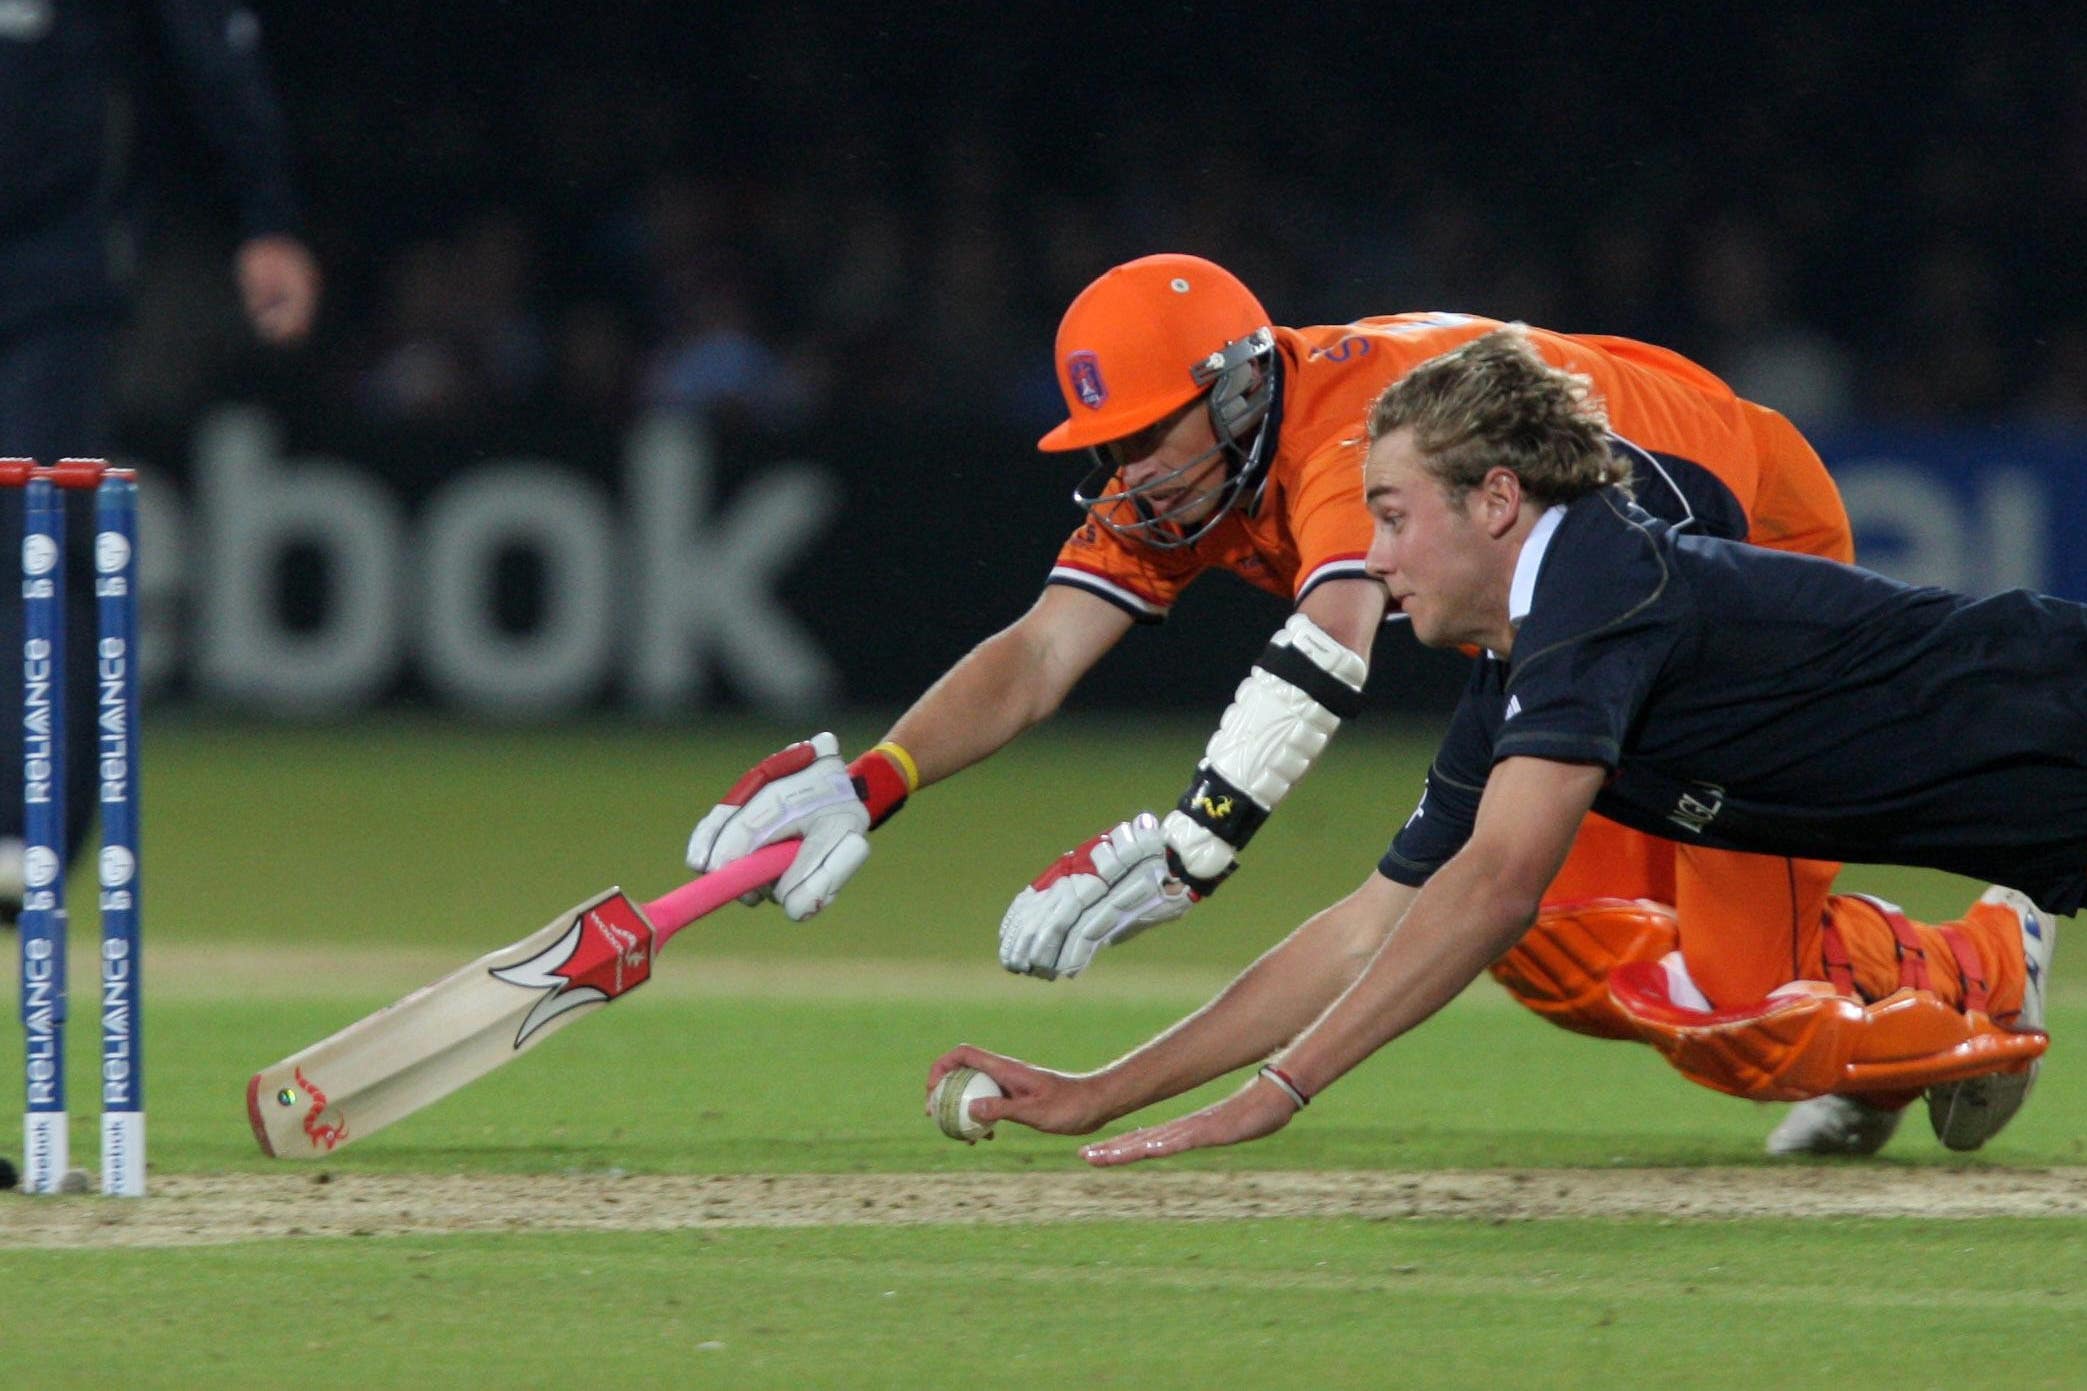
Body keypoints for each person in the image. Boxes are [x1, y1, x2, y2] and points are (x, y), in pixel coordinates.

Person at [688, 253, 1969, 1156]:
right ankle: (1881, 1004)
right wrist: (876, 779)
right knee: (1545, 945)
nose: (1123, 475)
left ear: (1239, 387)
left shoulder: (1357, 430)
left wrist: (1195, 842)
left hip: (1743, 554)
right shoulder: (1204, 468)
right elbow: (1035, 655)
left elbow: (1333, 634)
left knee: (1736, 1015)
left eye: (1142, 438)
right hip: (1584, 629)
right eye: (1105, 449)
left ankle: (1978, 974)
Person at [928, 327, 2062, 1167]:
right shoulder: (1520, 658)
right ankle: (1958, 989)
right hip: (2040, 802)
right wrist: (1098, 1090)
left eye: (1390, 514)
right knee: (1615, 966)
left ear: (1498, 501)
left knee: (1692, 992)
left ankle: (1972, 994)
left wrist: (1281, 1089)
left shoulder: (1596, 590)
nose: (1371, 556)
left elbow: (1494, 889)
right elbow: (1362, 930)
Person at [0, 0, 320, 899]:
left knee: (37, 542)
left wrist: (267, 218)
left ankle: (27, 833)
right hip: (56, 274)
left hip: (50, 281)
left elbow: (211, 48)